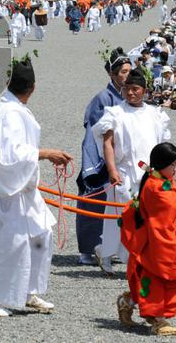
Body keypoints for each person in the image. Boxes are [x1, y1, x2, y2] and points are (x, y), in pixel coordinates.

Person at [0, 57, 74, 317]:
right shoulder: (8, 111)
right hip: (8, 188)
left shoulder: (13, 106)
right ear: (33, 88)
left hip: (24, 186)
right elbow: (10, 154)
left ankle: (28, 291)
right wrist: (46, 153)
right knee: (6, 242)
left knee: (41, 236)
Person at [92, 69, 171, 274]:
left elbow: (162, 145)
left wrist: (165, 172)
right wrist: (111, 169)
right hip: (124, 171)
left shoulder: (155, 114)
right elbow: (108, 144)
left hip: (149, 174)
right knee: (118, 215)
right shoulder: (115, 113)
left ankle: (138, 257)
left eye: (135, 89)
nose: (131, 93)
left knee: (146, 217)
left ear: (144, 91)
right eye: (127, 89)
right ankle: (105, 253)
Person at [116, 142, 176, 336]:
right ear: (161, 164)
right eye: (173, 165)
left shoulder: (158, 180)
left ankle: (129, 302)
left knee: (157, 280)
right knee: (157, 279)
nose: (175, 169)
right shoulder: (154, 187)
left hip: (164, 238)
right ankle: (158, 319)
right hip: (157, 240)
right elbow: (169, 206)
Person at [75, 49, 131, 265]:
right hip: (100, 158)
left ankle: (112, 248)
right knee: (94, 203)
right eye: (123, 72)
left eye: (129, 71)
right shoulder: (104, 97)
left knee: (120, 205)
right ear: (112, 75)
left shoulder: (127, 95)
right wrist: (97, 162)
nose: (127, 75)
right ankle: (87, 250)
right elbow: (93, 131)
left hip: (121, 158)